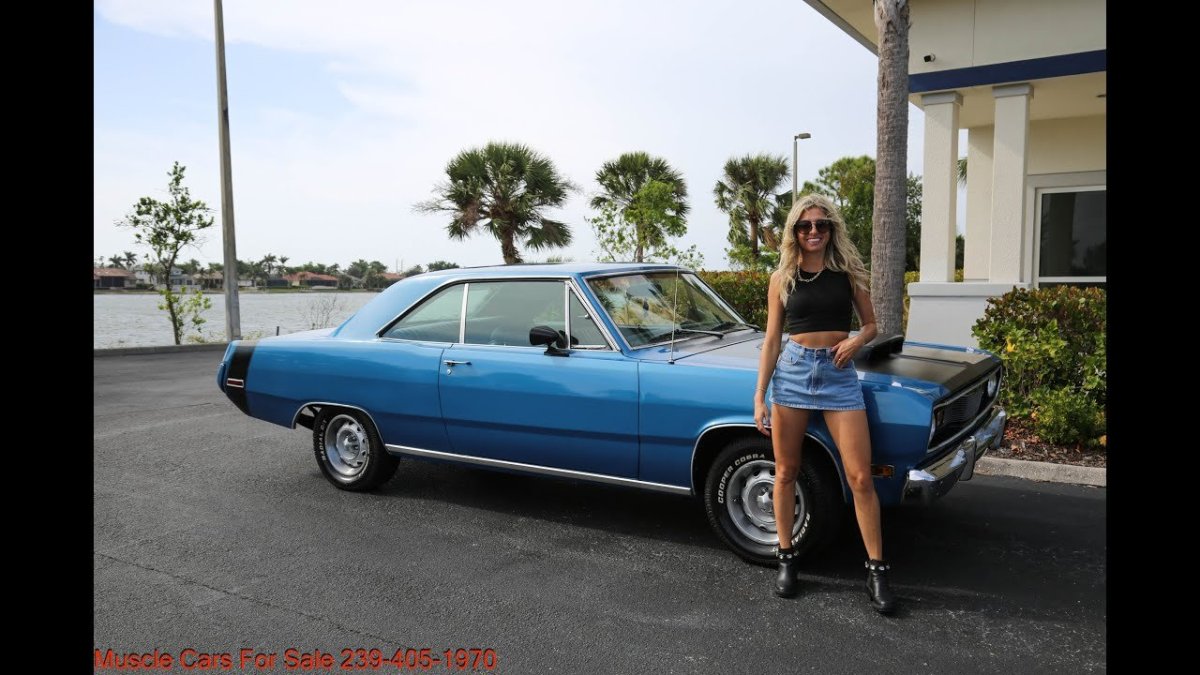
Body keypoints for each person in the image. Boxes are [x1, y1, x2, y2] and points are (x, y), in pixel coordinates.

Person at [752, 193, 896, 614]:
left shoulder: (848, 273)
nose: (813, 231)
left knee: (861, 477)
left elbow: (871, 325)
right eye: (805, 225)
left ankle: (877, 570)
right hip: (793, 373)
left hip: (838, 374)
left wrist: (856, 341)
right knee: (785, 472)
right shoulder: (782, 278)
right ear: (794, 232)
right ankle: (786, 557)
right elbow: (772, 340)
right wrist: (760, 395)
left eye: (820, 224)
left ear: (831, 229)